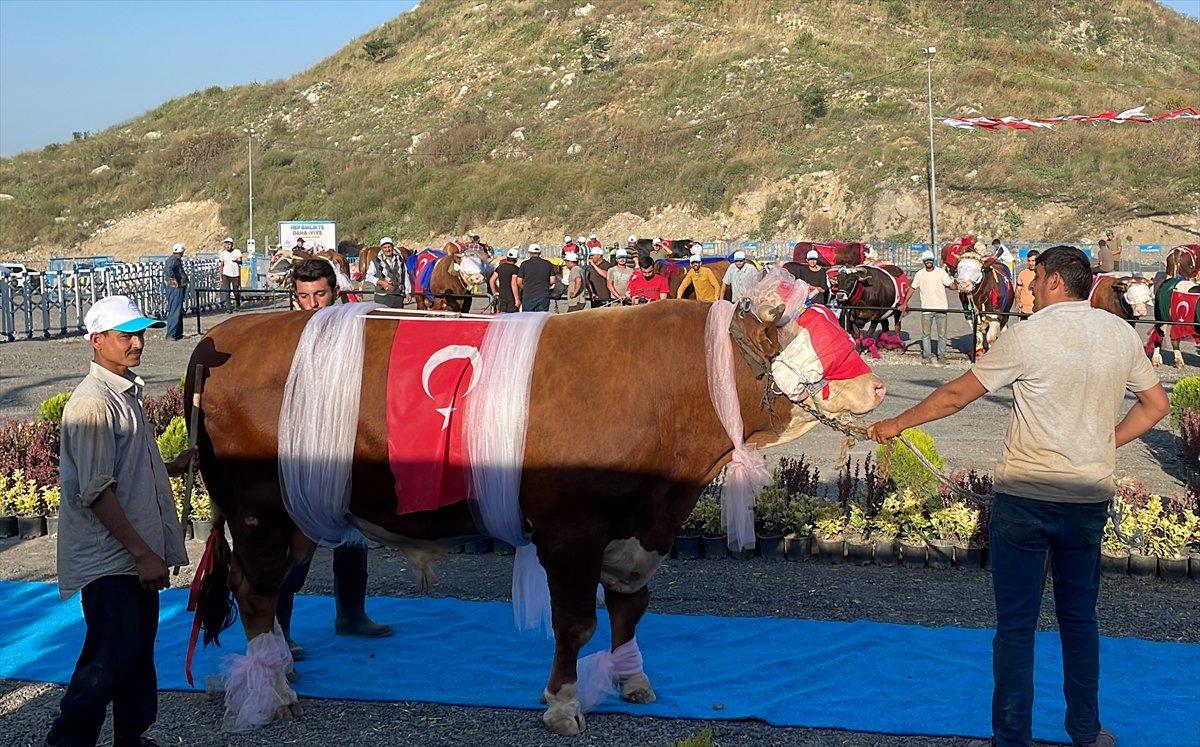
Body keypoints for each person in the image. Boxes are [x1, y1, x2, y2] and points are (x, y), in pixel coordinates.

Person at [868, 246, 1169, 747]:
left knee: (1015, 627)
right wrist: (1103, 440)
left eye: (1032, 281)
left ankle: (1012, 738)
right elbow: (1155, 405)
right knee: (1079, 619)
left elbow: (956, 394)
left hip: (1025, 500)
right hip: (1087, 499)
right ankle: (1086, 731)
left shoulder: (1027, 334)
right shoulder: (1119, 333)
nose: (1025, 289)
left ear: (1054, 282)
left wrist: (896, 422)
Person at [47, 295, 193, 747]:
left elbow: (122, 470)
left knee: (135, 655)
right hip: (112, 560)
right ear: (97, 340)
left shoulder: (125, 392)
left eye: (139, 333)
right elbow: (95, 491)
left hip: (133, 556)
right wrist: (143, 553)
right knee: (108, 660)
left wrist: (170, 466)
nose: (136, 342)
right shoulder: (93, 404)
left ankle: (132, 737)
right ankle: (67, 742)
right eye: (125, 334)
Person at [277, 259, 393, 659]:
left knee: (352, 535)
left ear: (336, 293)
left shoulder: (355, 329)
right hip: (305, 449)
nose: (312, 303)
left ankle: (351, 614)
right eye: (304, 296)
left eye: (320, 294)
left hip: (347, 443)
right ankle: (280, 630)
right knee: (299, 543)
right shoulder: (285, 335)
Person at [903, 250, 955, 363]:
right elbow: (912, 288)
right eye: (926, 260)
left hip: (941, 309)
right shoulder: (920, 274)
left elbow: (951, 285)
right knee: (926, 334)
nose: (929, 262)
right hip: (926, 309)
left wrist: (959, 285)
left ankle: (941, 356)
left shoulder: (941, 272)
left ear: (933, 260)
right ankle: (927, 356)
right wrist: (904, 302)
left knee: (942, 334)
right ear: (923, 261)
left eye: (930, 260)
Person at [363, 237, 410, 309]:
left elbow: (405, 275)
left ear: (393, 247)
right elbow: (368, 276)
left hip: (398, 297)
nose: (387, 249)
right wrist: (381, 282)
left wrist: (407, 292)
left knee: (397, 318)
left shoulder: (400, 260)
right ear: (381, 248)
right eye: (385, 247)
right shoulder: (375, 261)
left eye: (389, 247)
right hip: (382, 298)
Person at [515, 243, 555, 312]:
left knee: (528, 319)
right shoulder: (548, 264)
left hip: (528, 295)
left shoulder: (524, 264)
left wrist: (525, 288)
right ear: (540, 252)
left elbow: (519, 281)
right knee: (541, 319)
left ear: (529, 253)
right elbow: (552, 281)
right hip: (543, 295)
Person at [163, 243, 188, 341]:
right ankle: (171, 334)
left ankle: (178, 333)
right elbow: (168, 270)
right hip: (175, 289)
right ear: (181, 251)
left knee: (178, 310)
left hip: (179, 287)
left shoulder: (175, 259)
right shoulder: (173, 260)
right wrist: (174, 280)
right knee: (174, 310)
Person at [490, 249, 520, 313]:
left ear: (507, 257)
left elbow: (491, 280)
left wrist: (494, 292)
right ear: (516, 259)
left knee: (502, 316)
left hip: (502, 296)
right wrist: (517, 299)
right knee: (512, 318)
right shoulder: (516, 269)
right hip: (512, 298)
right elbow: (513, 283)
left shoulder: (500, 267)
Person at [217, 237, 242, 310]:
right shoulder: (223, 254)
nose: (227, 246)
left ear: (232, 245)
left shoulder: (237, 252)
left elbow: (240, 261)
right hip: (226, 274)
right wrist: (221, 276)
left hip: (235, 274)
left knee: (236, 291)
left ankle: (237, 304)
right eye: (226, 244)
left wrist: (236, 261)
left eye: (229, 244)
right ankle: (228, 307)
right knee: (226, 291)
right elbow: (221, 265)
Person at [1015, 249, 1039, 316]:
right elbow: (1018, 289)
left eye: (1033, 261)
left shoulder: (1043, 274)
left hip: (1038, 311)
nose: (1030, 263)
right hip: (1024, 311)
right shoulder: (1022, 273)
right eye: (1029, 261)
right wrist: (1017, 301)